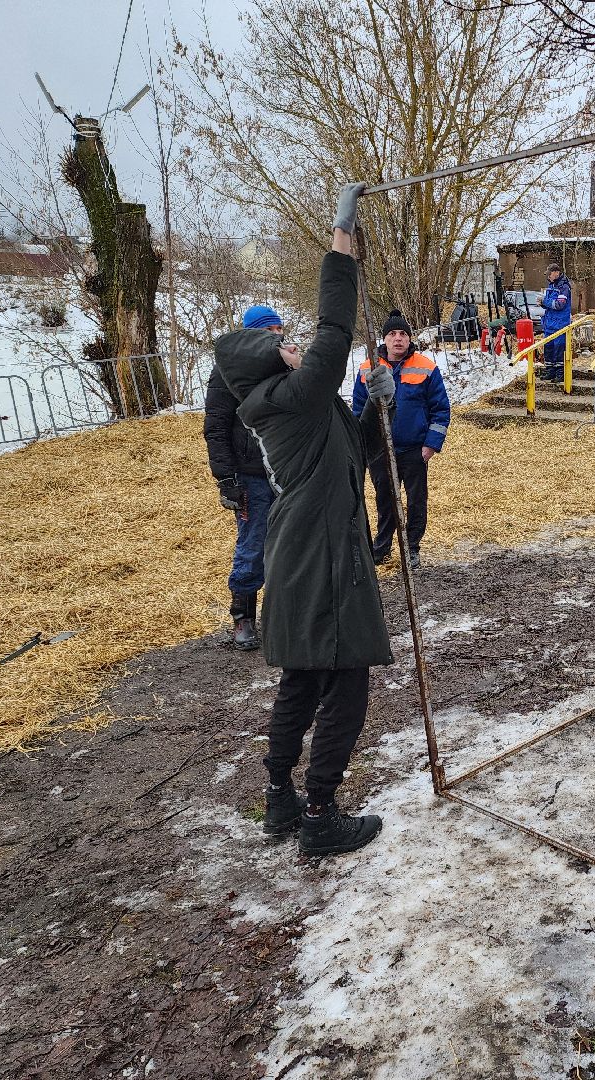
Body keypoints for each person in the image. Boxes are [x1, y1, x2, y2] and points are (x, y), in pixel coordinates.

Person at [212, 182, 393, 858]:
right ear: (264, 361)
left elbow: (351, 459)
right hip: (319, 558)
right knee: (345, 681)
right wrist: (340, 244)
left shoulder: (300, 403)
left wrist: (376, 410)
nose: (291, 344)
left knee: (303, 679)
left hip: (307, 551)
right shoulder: (287, 396)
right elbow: (337, 331)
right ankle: (320, 812)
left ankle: (282, 801)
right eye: (279, 342)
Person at [203, 305, 283, 650]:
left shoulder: (283, 365)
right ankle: (243, 618)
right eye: (268, 331)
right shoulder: (226, 373)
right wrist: (226, 479)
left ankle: (283, 612)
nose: (275, 336)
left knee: (289, 545)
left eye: (278, 329)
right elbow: (216, 428)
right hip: (250, 475)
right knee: (253, 544)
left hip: (284, 470)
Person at [350, 312, 450, 569]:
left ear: (409, 339)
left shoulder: (426, 367)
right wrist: (362, 445)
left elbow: (440, 409)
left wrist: (431, 444)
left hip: (414, 449)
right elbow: (358, 410)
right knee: (385, 499)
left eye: (403, 334)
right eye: (392, 334)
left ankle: (411, 547)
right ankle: (382, 547)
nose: (398, 339)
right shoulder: (368, 368)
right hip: (380, 450)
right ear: (384, 339)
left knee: (416, 500)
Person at [541, 262, 572, 381]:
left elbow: (560, 305)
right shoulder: (551, 286)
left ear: (556, 273)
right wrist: (543, 304)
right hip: (549, 323)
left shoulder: (563, 287)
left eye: (550, 274)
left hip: (560, 323)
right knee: (548, 347)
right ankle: (550, 371)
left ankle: (561, 374)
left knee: (559, 349)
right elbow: (549, 304)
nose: (548, 276)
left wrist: (545, 302)